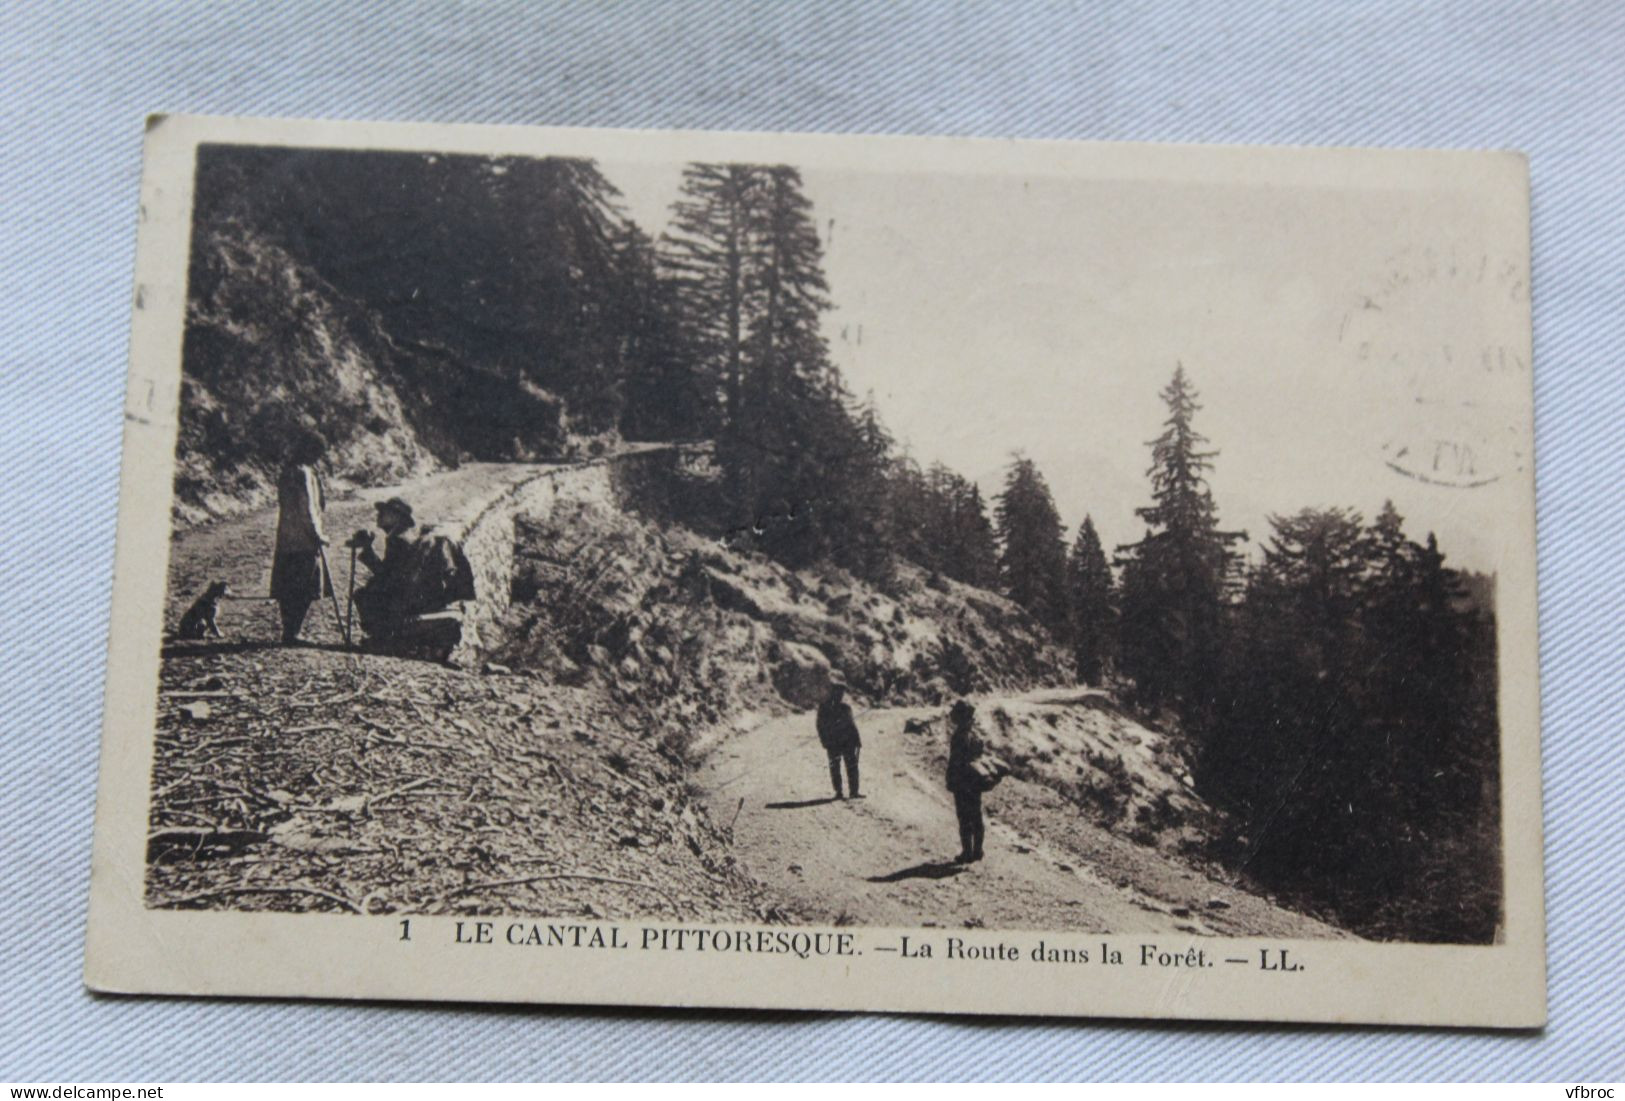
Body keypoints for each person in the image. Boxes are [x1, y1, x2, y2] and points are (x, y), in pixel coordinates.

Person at [349, 496, 475, 660]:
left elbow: (388, 577)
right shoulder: (404, 535)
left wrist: (367, 550)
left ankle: (383, 638)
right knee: (369, 590)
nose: (378, 515)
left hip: (407, 598)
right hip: (417, 595)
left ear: (397, 516)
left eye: (384, 512)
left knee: (364, 595)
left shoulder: (398, 539)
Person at [270, 457, 329, 644]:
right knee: (304, 586)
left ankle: (290, 631)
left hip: (287, 540)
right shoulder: (303, 473)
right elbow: (308, 508)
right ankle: (293, 633)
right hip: (304, 541)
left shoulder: (287, 472)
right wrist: (317, 534)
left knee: (288, 587)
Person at [945, 698, 986, 862]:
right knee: (976, 815)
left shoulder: (959, 736)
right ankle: (978, 851)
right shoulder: (975, 734)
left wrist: (951, 780)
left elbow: (956, 762)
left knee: (964, 817)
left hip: (963, 782)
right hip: (974, 781)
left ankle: (967, 852)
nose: (951, 715)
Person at [815, 682, 862, 800]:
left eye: (842, 693)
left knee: (852, 766)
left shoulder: (846, 708)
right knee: (835, 767)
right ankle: (839, 791)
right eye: (838, 692)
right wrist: (824, 741)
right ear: (833, 693)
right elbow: (820, 726)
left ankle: (854, 791)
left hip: (848, 741)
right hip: (833, 742)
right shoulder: (824, 708)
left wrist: (857, 741)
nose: (840, 695)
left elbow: (852, 725)